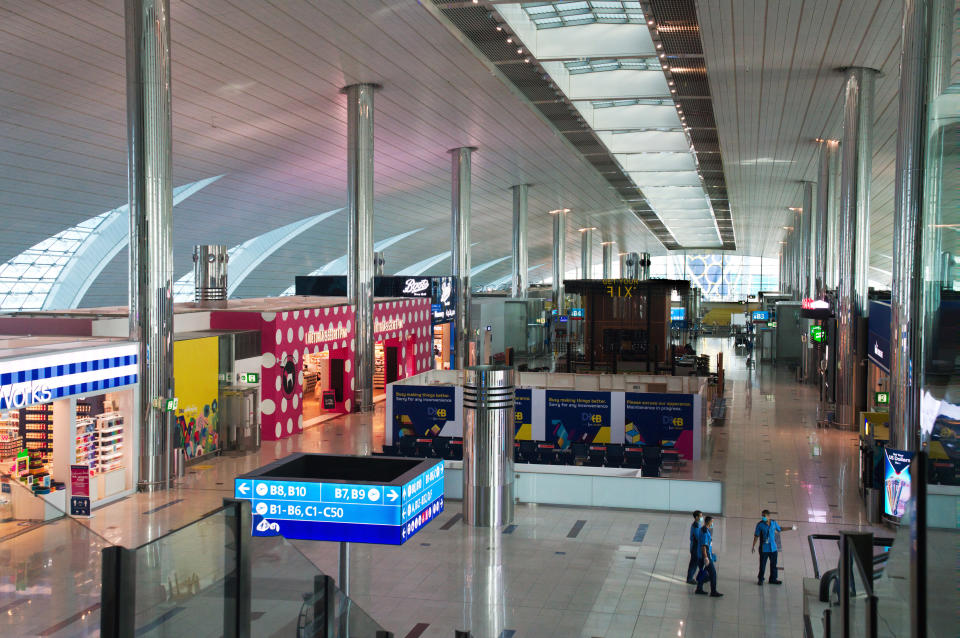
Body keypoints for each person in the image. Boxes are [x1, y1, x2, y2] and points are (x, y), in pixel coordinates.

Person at [751, 509, 797, 585]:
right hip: (764, 549)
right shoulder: (760, 525)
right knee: (762, 565)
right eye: (762, 516)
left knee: (774, 565)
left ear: (768, 516)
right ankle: (761, 579)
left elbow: (780, 529)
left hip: (773, 548)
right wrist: (753, 546)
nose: (763, 517)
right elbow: (756, 536)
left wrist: (791, 528)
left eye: (764, 516)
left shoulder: (773, 523)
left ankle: (773, 579)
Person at [695, 516, 723, 597]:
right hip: (705, 557)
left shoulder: (704, 529)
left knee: (703, 572)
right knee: (713, 574)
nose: (712, 523)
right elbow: (703, 546)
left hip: (703, 555)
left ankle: (699, 588)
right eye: (712, 522)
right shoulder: (704, 532)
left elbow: (707, 545)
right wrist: (706, 557)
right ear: (708, 522)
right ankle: (713, 591)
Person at [686, 510, 703, 584]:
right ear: (696, 517)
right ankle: (690, 578)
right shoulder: (696, 525)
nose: (702, 517)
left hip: (696, 547)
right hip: (695, 547)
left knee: (696, 563)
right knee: (693, 563)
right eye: (701, 516)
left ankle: (695, 577)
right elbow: (697, 537)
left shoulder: (698, 524)